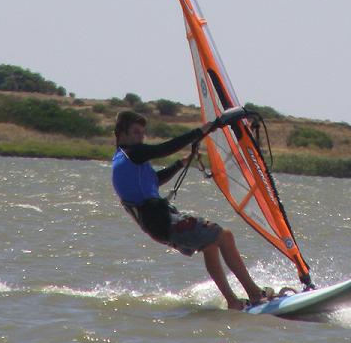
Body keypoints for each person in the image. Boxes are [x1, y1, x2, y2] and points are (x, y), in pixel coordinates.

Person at [111, 108, 273, 310]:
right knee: (224, 236)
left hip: (160, 222)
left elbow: (154, 180)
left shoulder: (125, 159)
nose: (141, 137)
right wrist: (201, 131)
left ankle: (233, 302)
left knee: (210, 245)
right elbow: (164, 149)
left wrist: (181, 163)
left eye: (143, 133)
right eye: (136, 132)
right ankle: (255, 295)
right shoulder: (132, 153)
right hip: (162, 221)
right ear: (122, 133)